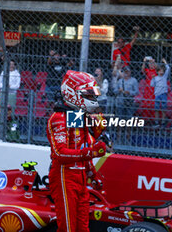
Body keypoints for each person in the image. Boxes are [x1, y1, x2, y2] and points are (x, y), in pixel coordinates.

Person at [47, 70, 106, 232]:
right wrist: (91, 152)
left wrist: (93, 174)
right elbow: (60, 153)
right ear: (72, 92)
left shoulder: (77, 116)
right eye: (88, 94)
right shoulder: (58, 118)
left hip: (80, 180)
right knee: (68, 228)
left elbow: (81, 146)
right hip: (64, 177)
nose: (92, 99)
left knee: (83, 229)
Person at [150, 58, 170, 127]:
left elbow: (168, 68)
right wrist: (152, 78)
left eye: (162, 71)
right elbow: (151, 85)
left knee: (164, 109)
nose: (161, 72)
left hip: (163, 94)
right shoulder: (155, 78)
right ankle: (156, 122)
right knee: (156, 109)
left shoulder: (165, 76)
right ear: (157, 71)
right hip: (157, 95)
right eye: (160, 71)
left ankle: (163, 121)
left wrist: (165, 62)